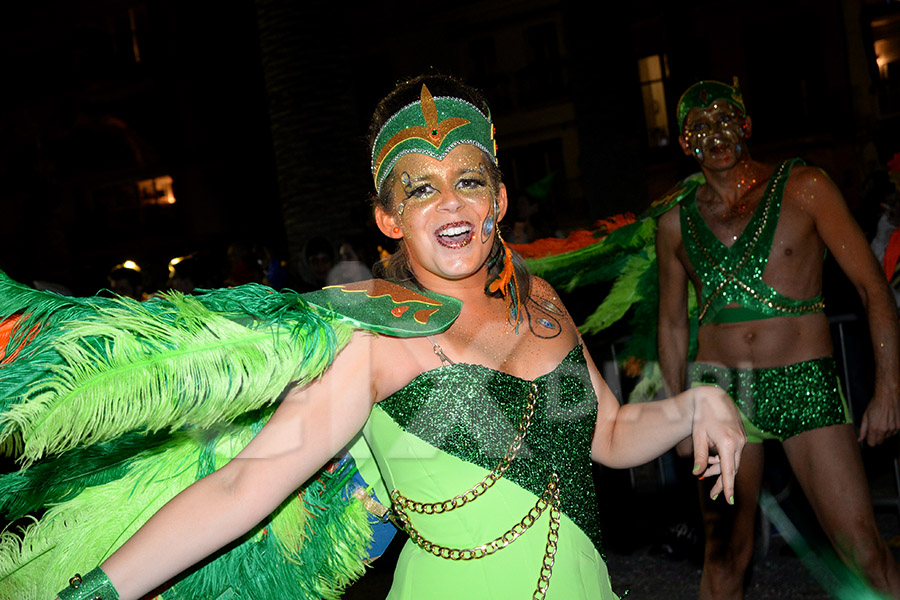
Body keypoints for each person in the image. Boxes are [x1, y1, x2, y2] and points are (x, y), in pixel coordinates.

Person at [45, 74, 744, 600]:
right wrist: (99, 591)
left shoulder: (541, 303)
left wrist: (694, 405)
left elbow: (612, 431)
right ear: (387, 218)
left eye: (469, 180)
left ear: (498, 200)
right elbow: (242, 486)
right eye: (420, 188)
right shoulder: (373, 337)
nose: (450, 202)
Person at [656, 79, 900, 599]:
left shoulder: (805, 187)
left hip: (804, 382)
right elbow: (673, 323)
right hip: (719, 391)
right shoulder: (675, 224)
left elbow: (871, 285)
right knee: (724, 559)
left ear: (746, 125)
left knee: (864, 552)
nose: (715, 134)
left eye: (725, 119)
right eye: (699, 127)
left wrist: (890, 390)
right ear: (684, 143)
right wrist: (677, 412)